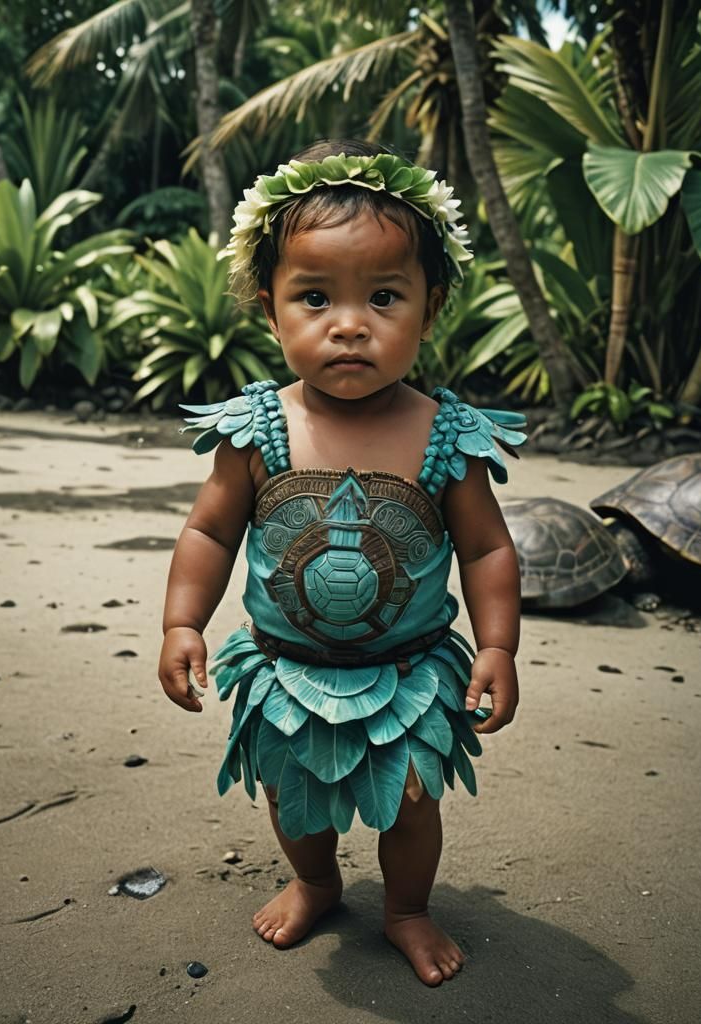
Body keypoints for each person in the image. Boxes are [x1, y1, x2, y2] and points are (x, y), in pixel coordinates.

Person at [157, 139, 526, 987]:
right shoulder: (257, 429)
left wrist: (498, 645)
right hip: (286, 668)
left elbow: (487, 547)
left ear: (430, 311)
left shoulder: (446, 435)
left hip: (411, 669)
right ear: (269, 307)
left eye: (385, 297)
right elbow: (210, 534)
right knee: (295, 799)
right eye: (315, 297)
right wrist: (183, 621)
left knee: (411, 802)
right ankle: (316, 881)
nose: (349, 323)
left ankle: (406, 908)